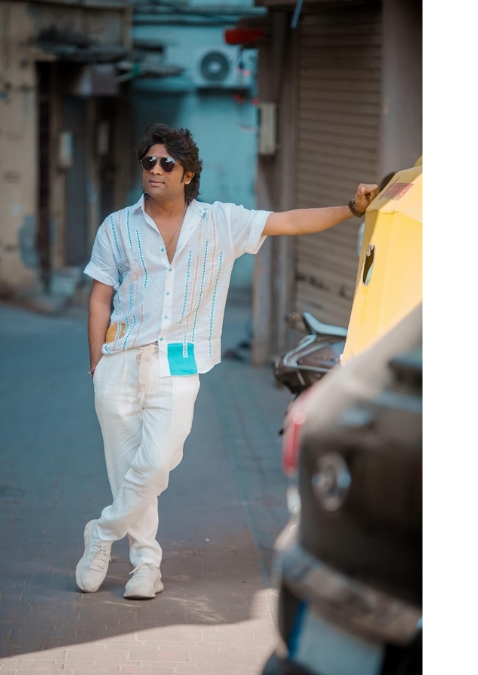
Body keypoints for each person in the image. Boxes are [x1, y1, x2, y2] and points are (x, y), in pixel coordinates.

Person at [77, 123, 378, 599]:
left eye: (167, 163)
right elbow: (100, 297)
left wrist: (352, 209)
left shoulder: (221, 222)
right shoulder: (117, 226)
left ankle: (102, 532)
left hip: (177, 363)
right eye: (149, 162)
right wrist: (98, 365)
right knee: (126, 469)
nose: (155, 170)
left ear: (187, 175)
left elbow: (289, 222)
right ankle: (146, 566)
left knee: (156, 463)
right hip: (119, 362)